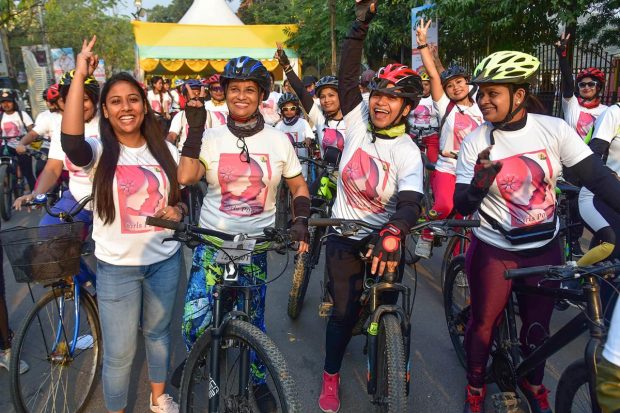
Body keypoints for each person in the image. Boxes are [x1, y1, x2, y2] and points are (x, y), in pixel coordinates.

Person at [454, 51, 620, 413]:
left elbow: (598, 178)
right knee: (483, 325)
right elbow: (462, 205)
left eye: (492, 93)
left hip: (545, 245)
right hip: (495, 249)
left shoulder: (554, 129)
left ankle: (533, 384)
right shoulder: (475, 141)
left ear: (517, 95)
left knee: (537, 330)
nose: (482, 100)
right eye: (480, 93)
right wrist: (479, 185)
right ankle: (476, 387)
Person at [177, 55, 310, 411]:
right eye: (234, 89)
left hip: (255, 246)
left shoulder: (279, 141)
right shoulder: (211, 137)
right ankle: (199, 358)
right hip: (213, 242)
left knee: (254, 323)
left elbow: (298, 187)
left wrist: (299, 221)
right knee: (194, 324)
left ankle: (257, 380)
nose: (240, 96)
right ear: (224, 93)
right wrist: (194, 126)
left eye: (249, 90)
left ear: (261, 95)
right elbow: (186, 178)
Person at [61, 37, 185, 413]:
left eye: (132, 99)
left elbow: (178, 198)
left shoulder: (165, 150)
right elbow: (70, 142)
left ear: (145, 107)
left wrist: (177, 212)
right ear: (105, 111)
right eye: (115, 101)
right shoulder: (98, 152)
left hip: (165, 260)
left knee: (159, 336)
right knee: (119, 354)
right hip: (117, 269)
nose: (125, 107)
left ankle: (157, 397)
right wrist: (81, 73)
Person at [317, 2, 424, 412]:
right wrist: (360, 24)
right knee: (343, 313)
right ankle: (330, 376)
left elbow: (412, 200)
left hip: (383, 237)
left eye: (391, 99)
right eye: (378, 94)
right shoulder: (357, 119)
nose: (380, 103)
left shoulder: (408, 151)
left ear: (407, 108)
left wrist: (394, 231)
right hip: (343, 233)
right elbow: (347, 75)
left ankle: (393, 362)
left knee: (389, 305)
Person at [414, 18, 483, 258]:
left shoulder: (483, 107)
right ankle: (426, 230)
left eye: (459, 82)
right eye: (450, 85)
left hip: (474, 171)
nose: (455, 88)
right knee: (444, 205)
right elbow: (435, 76)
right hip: (448, 167)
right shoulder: (445, 106)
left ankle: (459, 263)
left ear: (468, 83)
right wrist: (423, 46)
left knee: (471, 222)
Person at [14, 71, 100, 233]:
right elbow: (53, 168)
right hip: (76, 198)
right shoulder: (63, 127)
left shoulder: (108, 123)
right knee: (48, 235)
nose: (79, 106)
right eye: (72, 102)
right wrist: (36, 194)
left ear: (95, 100)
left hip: (112, 201)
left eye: (85, 100)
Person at [578, 102, 620, 320]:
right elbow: (593, 154)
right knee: (613, 245)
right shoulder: (614, 113)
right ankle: (574, 275)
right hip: (600, 193)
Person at [275, 46, 347, 158]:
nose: (326, 100)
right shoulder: (320, 118)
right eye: (322, 97)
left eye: (331, 95)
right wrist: (286, 66)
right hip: (328, 174)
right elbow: (301, 92)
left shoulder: (353, 118)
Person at [556, 33, 608, 140]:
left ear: (598, 87)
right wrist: (562, 56)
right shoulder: (571, 103)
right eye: (582, 84)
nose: (586, 87)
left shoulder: (606, 111)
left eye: (591, 84)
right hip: (571, 155)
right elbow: (568, 81)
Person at [0, 88, 36, 192]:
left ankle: (34, 195)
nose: (6, 104)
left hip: (22, 146)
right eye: (3, 102)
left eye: (8, 101)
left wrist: (30, 135)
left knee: (28, 173)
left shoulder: (22, 115)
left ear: (14, 102)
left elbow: (32, 130)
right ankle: (5, 182)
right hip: (7, 146)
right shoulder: (1, 116)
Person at [275, 92, 314, 179]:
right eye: (285, 109)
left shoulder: (303, 123)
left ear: (297, 109)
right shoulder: (279, 125)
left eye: (292, 108)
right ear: (281, 110)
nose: (289, 111)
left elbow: (309, 136)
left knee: (301, 183)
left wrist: (307, 140)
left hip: (301, 161)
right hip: (284, 161)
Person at [17, 84, 63, 157]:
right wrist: (21, 144)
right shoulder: (46, 117)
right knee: (41, 167)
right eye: (47, 100)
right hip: (49, 149)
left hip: (71, 154)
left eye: (52, 100)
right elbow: (33, 134)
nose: (49, 103)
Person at [408, 70, 440, 173]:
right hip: (413, 135)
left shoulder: (435, 98)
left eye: (426, 84)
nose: (424, 87)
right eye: (421, 84)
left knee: (433, 163)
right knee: (411, 162)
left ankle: (431, 184)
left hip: (431, 136)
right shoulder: (412, 98)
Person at [166, 79, 204, 151]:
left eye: (198, 93)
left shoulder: (210, 114)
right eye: (191, 93)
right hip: (184, 154)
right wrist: (166, 146)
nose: (196, 97)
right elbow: (172, 135)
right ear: (185, 97)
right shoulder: (180, 115)